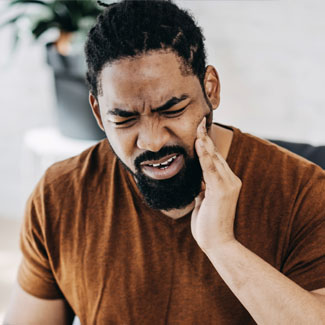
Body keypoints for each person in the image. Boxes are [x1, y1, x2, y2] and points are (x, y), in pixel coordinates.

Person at [4, 1, 325, 324]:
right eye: (125, 119)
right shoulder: (60, 194)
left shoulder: (302, 192)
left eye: (172, 110)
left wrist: (223, 246)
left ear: (210, 89)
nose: (152, 141)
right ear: (99, 114)